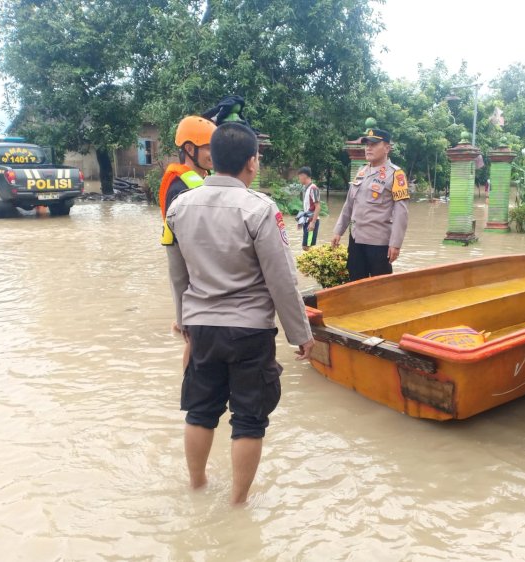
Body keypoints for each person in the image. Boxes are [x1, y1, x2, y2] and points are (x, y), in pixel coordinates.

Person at [165, 122, 315, 505]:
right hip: (249, 331)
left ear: (212, 159)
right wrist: (301, 334)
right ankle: (237, 504)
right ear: (252, 161)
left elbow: (177, 273)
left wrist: (183, 319)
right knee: (248, 420)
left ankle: (196, 485)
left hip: (202, 328)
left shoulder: (179, 207)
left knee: (200, 412)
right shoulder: (260, 209)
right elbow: (281, 280)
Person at [159, 115, 216, 370]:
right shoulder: (180, 186)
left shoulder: (197, 179)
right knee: (193, 340)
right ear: (190, 149)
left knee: (194, 338)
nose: (213, 154)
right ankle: (191, 391)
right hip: (190, 271)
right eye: (208, 148)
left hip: (195, 272)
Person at [331, 127, 409, 281]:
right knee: (355, 284)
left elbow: (401, 213)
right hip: (355, 240)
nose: (368, 148)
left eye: (373, 144)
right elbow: (349, 205)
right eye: (367, 144)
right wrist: (338, 231)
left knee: (380, 288)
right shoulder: (361, 172)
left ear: (387, 148)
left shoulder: (395, 174)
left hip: (378, 244)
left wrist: (395, 244)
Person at [297, 166, 320, 251]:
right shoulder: (306, 189)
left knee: (308, 247)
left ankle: (314, 263)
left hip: (312, 221)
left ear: (304, 176)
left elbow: (318, 207)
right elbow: (307, 208)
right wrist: (301, 221)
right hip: (307, 221)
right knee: (306, 246)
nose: (299, 179)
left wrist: (313, 223)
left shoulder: (313, 188)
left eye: (299, 177)